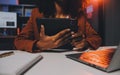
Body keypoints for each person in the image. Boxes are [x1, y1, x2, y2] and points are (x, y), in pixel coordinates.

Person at [14, 0, 102, 52]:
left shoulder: (79, 14)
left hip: (73, 64)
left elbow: (96, 38)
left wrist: (84, 43)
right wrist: (40, 45)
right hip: (43, 64)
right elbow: (19, 41)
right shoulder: (36, 13)